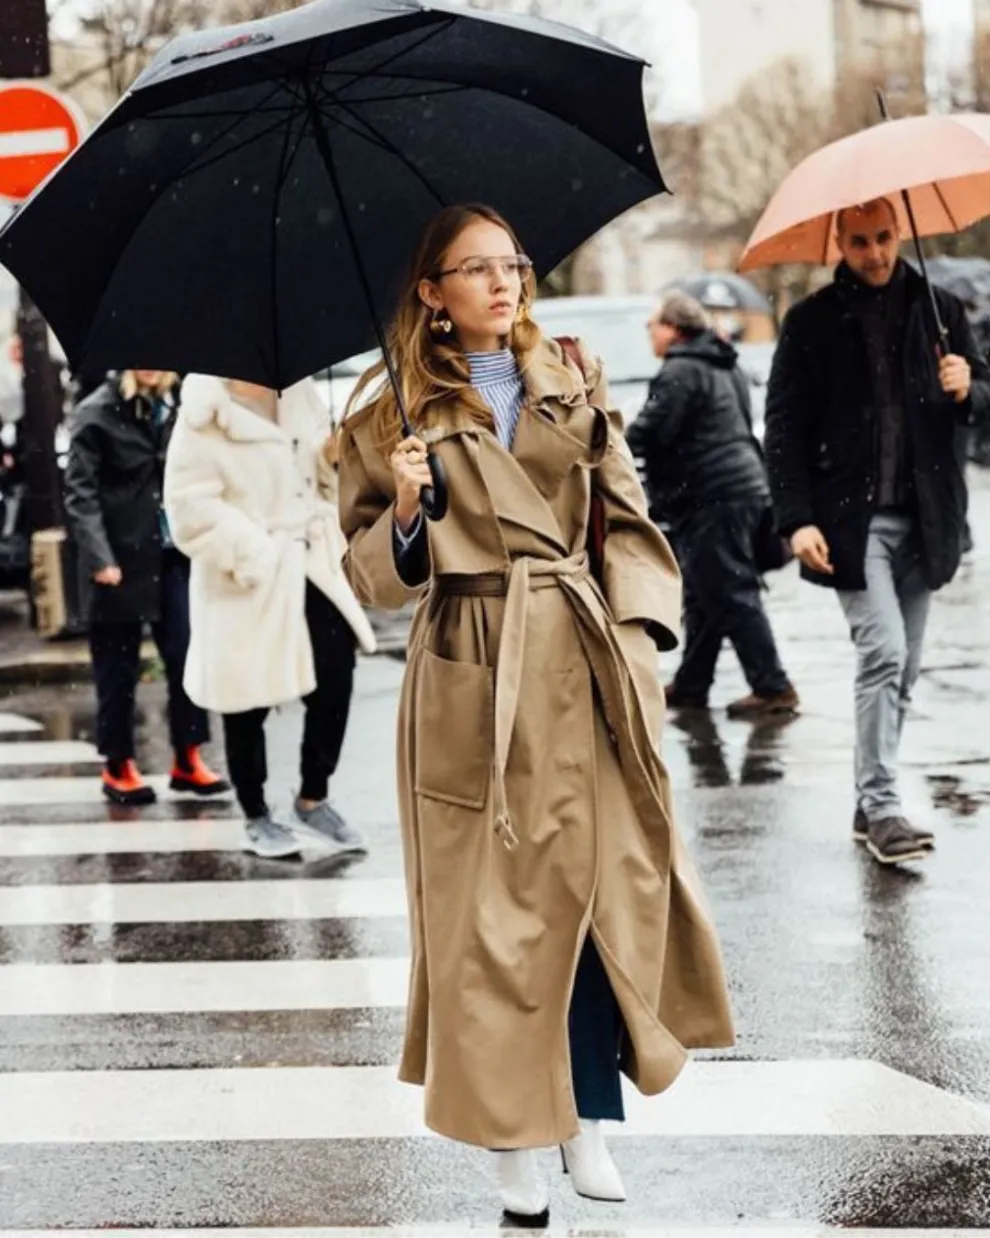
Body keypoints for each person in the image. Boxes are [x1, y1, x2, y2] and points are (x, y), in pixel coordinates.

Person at [337, 204, 734, 1226]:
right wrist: (412, 513)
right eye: (475, 270)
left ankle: (587, 1113)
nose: (502, 283)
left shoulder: (570, 369)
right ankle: (513, 1134)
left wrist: (640, 639)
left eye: (510, 264)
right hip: (470, 671)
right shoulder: (387, 412)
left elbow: (628, 513)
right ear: (431, 291)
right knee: (487, 926)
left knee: (598, 890)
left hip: (583, 658)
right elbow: (369, 574)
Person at [765, 197, 990, 867]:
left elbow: (985, 405)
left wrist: (967, 387)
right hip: (850, 523)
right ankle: (883, 806)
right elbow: (783, 428)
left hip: (928, 520)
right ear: (840, 240)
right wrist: (795, 518)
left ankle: (871, 800)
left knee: (906, 668)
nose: (875, 253)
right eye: (860, 241)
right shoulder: (809, 324)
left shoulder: (943, 311)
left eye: (885, 238)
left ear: (900, 234)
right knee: (884, 654)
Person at [164, 375, 377, 860]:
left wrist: (329, 459)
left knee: (336, 672)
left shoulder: (298, 393)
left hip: (308, 562)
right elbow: (188, 508)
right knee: (246, 697)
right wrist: (253, 552)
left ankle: (313, 795)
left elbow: (320, 489)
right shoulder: (203, 413)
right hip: (245, 573)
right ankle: (255, 811)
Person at [627, 291, 798, 718]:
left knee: (731, 590)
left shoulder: (681, 369)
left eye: (652, 326)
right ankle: (692, 684)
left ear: (672, 328)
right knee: (706, 594)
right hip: (741, 487)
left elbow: (652, 430)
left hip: (710, 494)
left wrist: (612, 441)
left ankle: (773, 686)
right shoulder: (724, 363)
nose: (650, 334)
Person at [64, 370, 228, 805]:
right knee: (117, 670)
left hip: (172, 556)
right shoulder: (95, 414)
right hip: (118, 561)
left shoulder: (177, 409)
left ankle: (188, 757)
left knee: (186, 657)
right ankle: (118, 766)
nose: (151, 367)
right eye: (142, 360)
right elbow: (80, 495)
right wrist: (100, 559)